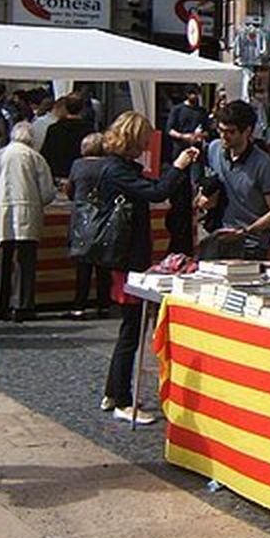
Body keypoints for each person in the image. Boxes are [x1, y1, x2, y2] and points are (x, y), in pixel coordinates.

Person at [97, 111, 197, 424]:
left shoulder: (121, 168)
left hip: (129, 254)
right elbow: (155, 193)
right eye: (142, 139)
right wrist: (178, 168)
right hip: (126, 257)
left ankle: (114, 391)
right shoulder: (116, 170)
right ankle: (123, 400)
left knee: (130, 327)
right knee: (132, 327)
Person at [0, 120, 57, 321]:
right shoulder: (35, 158)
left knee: (3, 258)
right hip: (28, 210)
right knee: (25, 260)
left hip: (2, 209)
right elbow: (48, 192)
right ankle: (22, 306)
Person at [197, 100, 270, 261]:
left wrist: (246, 231)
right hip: (218, 238)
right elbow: (206, 186)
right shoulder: (214, 149)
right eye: (221, 130)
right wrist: (203, 199)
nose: (224, 136)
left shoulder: (263, 164)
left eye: (231, 132)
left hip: (251, 245)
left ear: (247, 132)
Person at [65, 132, 112, 319]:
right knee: (103, 264)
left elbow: (70, 190)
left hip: (82, 217)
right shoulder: (109, 165)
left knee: (83, 265)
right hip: (103, 216)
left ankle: (80, 305)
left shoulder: (78, 165)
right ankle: (104, 304)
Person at [39, 93, 88, 183]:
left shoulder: (54, 129)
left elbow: (45, 153)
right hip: (79, 176)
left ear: (65, 107)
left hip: (56, 176)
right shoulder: (88, 130)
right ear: (82, 109)